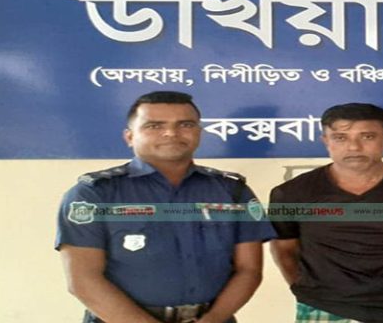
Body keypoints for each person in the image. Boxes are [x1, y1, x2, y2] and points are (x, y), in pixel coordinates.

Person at [55, 91, 276, 323]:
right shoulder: (95, 194)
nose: (171, 133)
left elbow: (249, 270)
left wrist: (213, 319)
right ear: (129, 137)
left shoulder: (232, 192)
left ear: (199, 133)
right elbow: (83, 280)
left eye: (185, 124)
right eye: (154, 126)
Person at [269, 103, 383, 323]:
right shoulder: (291, 193)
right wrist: (309, 293)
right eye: (340, 138)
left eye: (367, 136)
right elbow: (284, 249)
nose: (354, 147)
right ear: (326, 141)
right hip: (322, 308)